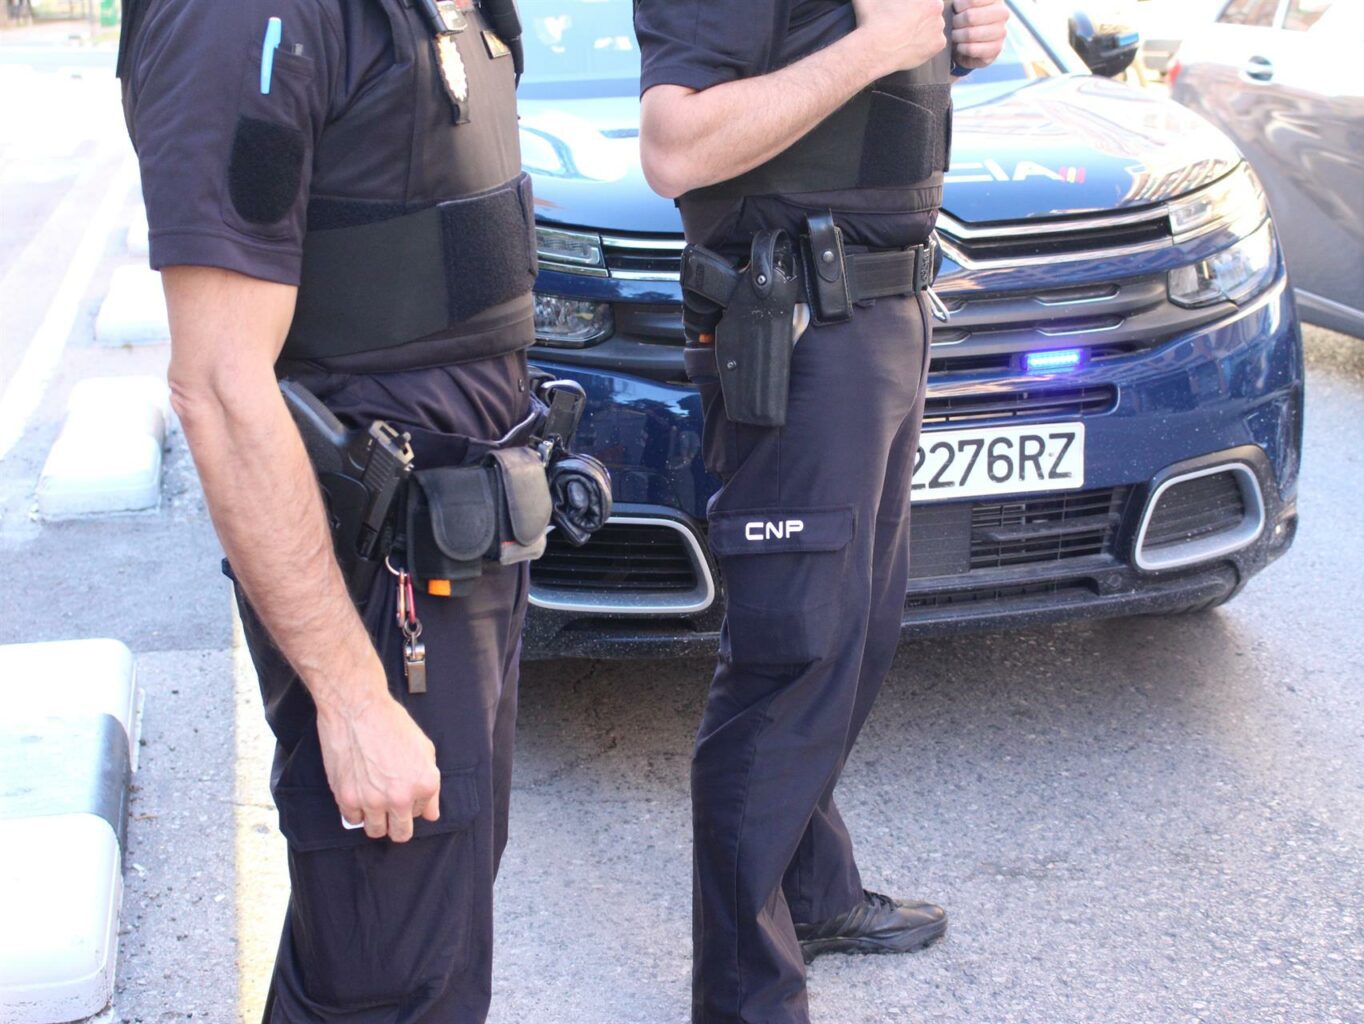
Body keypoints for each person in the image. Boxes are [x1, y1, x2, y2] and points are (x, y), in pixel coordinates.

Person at [117, 0, 546, 1019]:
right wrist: (352, 698)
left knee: (418, 944)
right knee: (394, 972)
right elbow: (219, 384)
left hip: (464, 544)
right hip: (376, 568)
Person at [634, 0, 1008, 1021]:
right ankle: (744, 997)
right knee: (789, 656)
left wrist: (954, 45)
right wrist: (881, 45)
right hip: (798, 324)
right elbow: (675, 148)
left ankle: (812, 891)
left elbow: (847, 86)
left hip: (882, 310)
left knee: (854, 635)